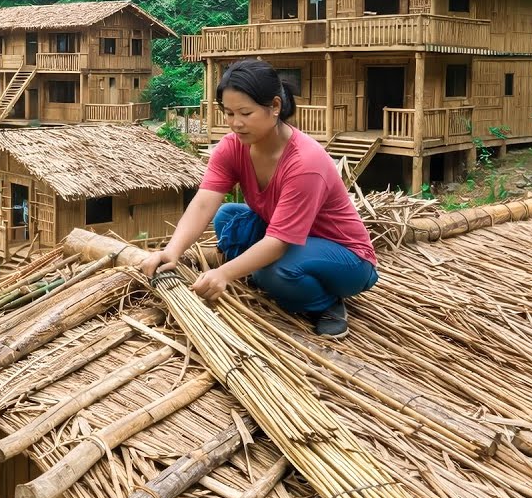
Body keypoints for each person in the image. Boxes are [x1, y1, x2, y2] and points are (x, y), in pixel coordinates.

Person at [139, 59, 378, 338]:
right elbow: (204, 203)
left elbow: (278, 242)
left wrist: (225, 273)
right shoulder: (232, 147)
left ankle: (325, 304)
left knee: (271, 272)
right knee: (227, 216)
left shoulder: (305, 163)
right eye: (228, 113)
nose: (235, 123)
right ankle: (269, 272)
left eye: (245, 113)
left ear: (275, 106)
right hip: (294, 239)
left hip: (346, 258)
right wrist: (172, 250)